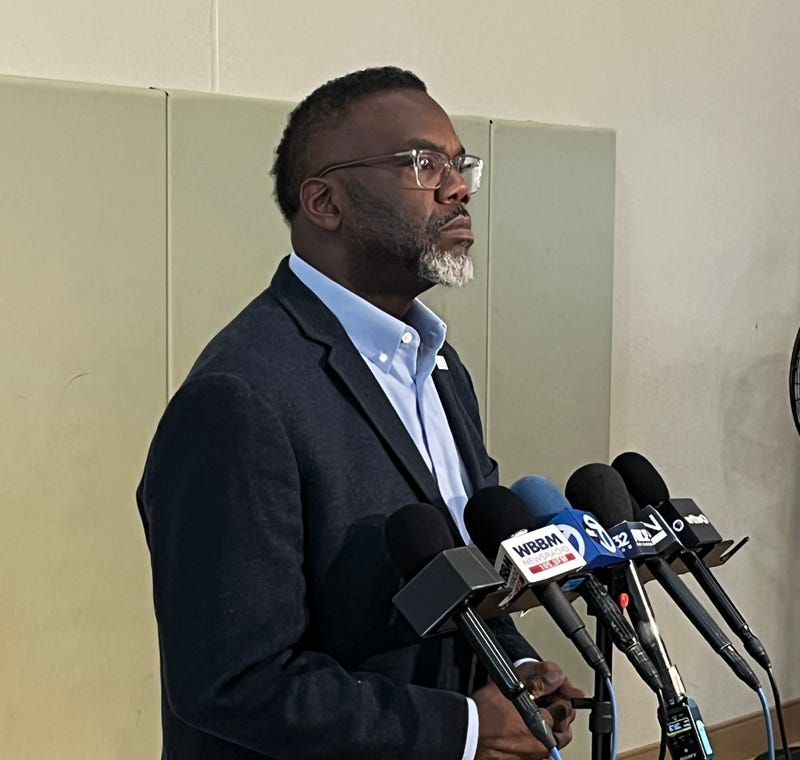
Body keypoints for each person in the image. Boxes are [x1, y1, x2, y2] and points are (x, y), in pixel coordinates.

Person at [137, 66, 581, 760]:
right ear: (325, 203)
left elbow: (458, 581)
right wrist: (465, 730)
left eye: (460, 164)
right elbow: (233, 681)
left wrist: (515, 671)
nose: (457, 186)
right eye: (422, 163)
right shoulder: (238, 400)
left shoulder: (438, 366)